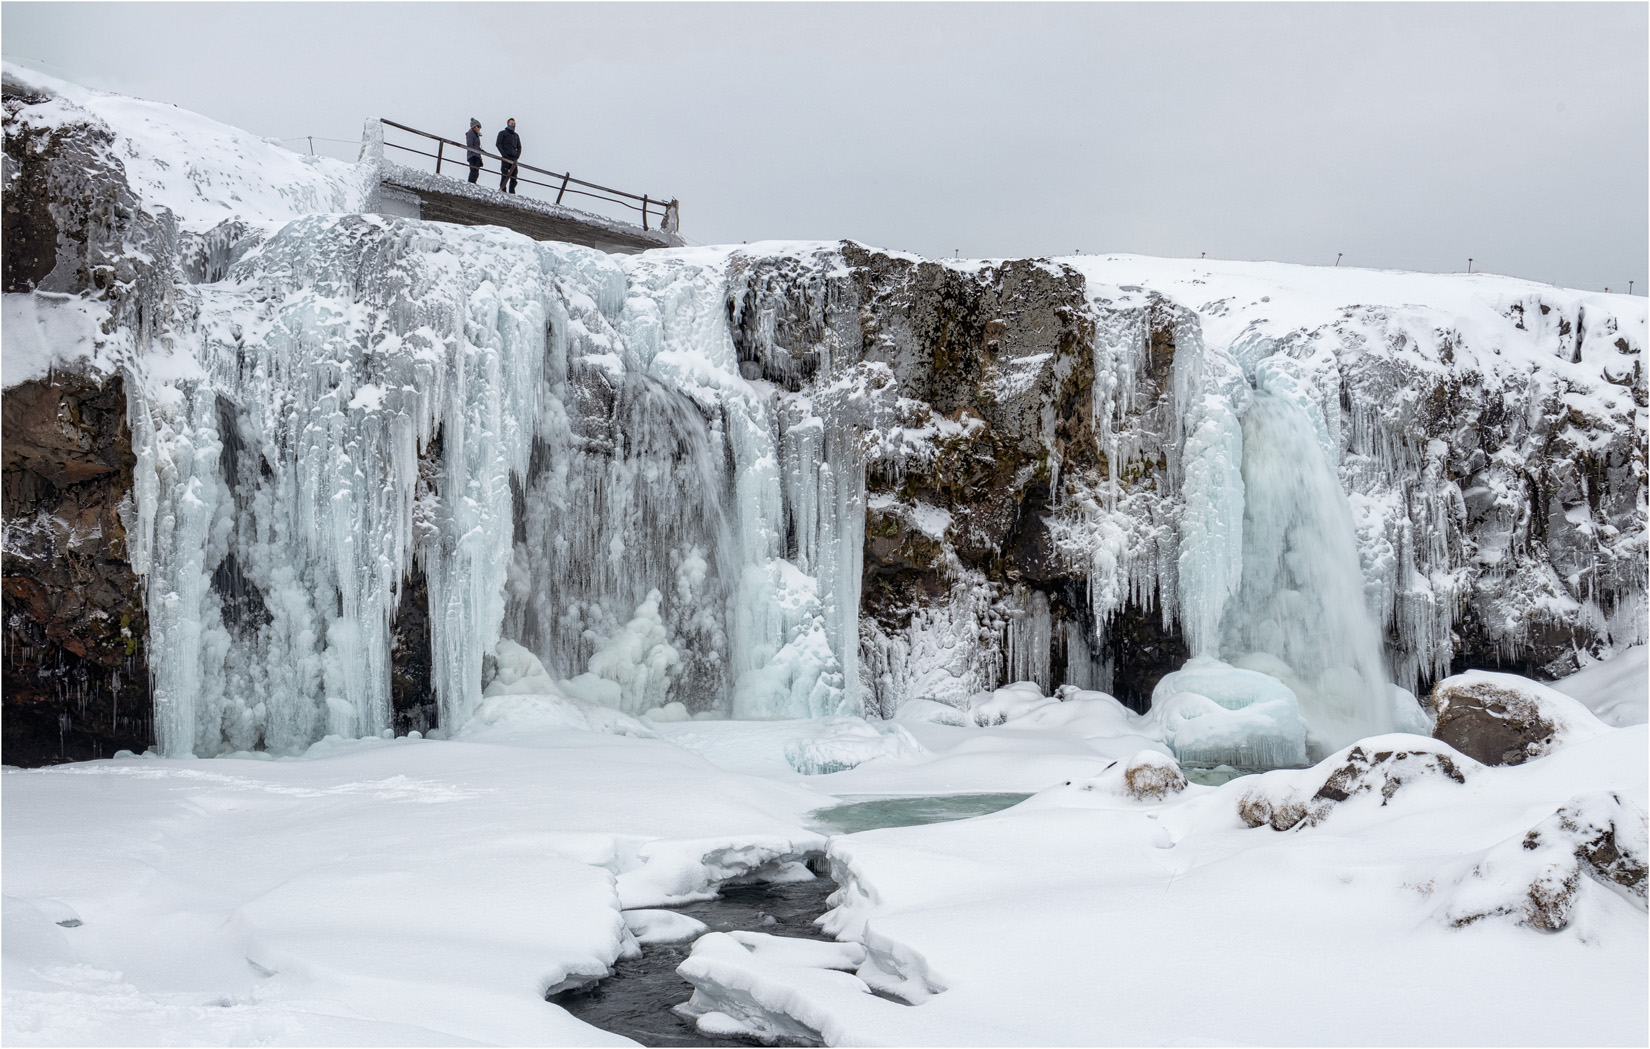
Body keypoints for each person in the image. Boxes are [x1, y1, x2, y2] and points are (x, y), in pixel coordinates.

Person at [495, 118, 520, 194]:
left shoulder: (516, 136)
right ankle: (503, 191)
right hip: (506, 158)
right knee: (504, 175)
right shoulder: (502, 133)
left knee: (514, 177)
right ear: (508, 124)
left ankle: (512, 193)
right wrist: (504, 155)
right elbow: (498, 144)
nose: (513, 125)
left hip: (513, 159)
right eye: (512, 123)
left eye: (514, 124)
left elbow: (519, 147)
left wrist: (517, 156)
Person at [465, 118, 483, 184]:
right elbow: (470, 144)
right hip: (473, 155)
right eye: (478, 126)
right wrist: (474, 151)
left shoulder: (475, 135)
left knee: (476, 172)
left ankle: (472, 184)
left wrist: (480, 150)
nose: (479, 128)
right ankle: (470, 184)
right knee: (473, 171)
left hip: (476, 155)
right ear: (474, 127)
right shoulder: (470, 133)